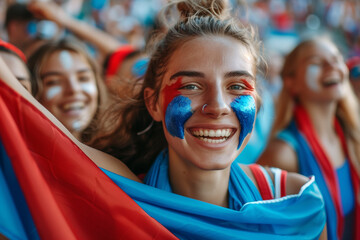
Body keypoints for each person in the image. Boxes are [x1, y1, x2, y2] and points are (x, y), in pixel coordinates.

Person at [0, 0, 325, 239]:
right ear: (153, 102)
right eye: (191, 86)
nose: (217, 106)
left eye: (236, 86)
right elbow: (25, 119)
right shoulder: (117, 196)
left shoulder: (293, 201)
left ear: (257, 99)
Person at [257, 37, 360, 240]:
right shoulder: (283, 153)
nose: (333, 66)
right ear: (291, 83)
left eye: (337, 58)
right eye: (316, 62)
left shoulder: (352, 137)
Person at [27, 38, 108, 142]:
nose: (74, 89)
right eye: (54, 81)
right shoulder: (21, 156)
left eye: (83, 78)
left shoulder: (119, 152)